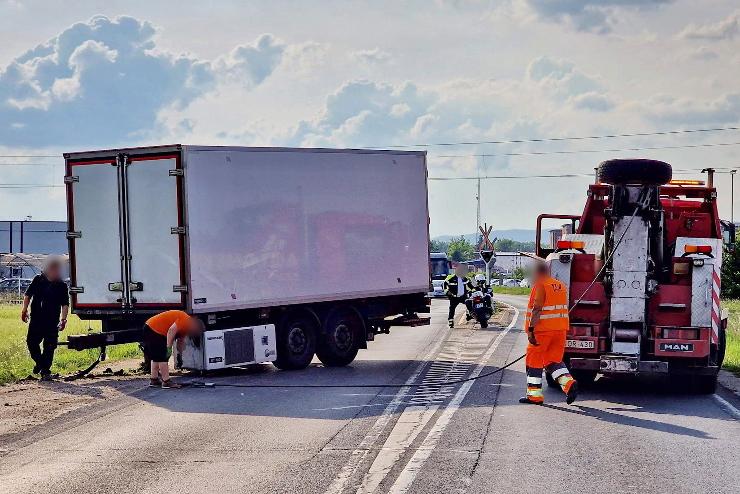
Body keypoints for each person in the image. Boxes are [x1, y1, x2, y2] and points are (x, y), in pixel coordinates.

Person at [520, 261, 578, 405]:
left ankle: (534, 395)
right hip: (560, 330)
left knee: (534, 361)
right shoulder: (560, 285)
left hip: (543, 331)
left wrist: (531, 330)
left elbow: (537, 308)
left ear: (538, 272)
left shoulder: (541, 285)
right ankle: (569, 384)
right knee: (552, 361)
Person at [21, 257, 69, 380]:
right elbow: (28, 295)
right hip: (36, 319)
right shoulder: (38, 280)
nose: (57, 272)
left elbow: (65, 304)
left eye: (58, 270)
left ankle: (45, 371)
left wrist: (63, 320)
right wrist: (24, 310)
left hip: (52, 321)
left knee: (50, 346)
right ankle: (40, 363)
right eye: (55, 270)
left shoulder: (62, 286)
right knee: (31, 343)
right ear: (49, 269)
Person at [143, 310, 204, 389]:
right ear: (195, 324)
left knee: (157, 357)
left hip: (150, 327)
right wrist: (168, 348)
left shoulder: (186, 328)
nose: (194, 332)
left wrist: (180, 356)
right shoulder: (186, 320)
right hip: (154, 329)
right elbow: (171, 331)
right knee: (163, 357)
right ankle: (166, 382)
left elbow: (180, 342)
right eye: (196, 331)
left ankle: (154, 380)